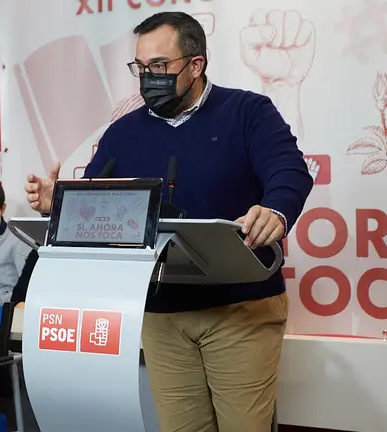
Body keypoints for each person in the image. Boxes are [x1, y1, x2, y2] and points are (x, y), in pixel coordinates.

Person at [24, 12, 313, 432]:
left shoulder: (248, 111)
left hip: (239, 309)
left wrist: (276, 210)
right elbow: (97, 200)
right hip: (160, 315)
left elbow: (290, 170)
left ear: (196, 65)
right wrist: (60, 202)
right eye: (140, 68)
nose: (148, 78)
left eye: (159, 66)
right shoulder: (122, 133)